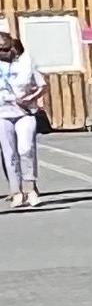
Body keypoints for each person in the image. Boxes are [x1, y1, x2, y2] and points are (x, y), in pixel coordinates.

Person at [0, 27, 41, 210]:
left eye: (6, 48)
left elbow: (42, 84)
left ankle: (30, 187)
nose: (3, 52)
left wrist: (30, 98)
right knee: (9, 153)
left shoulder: (25, 63)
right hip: (2, 113)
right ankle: (16, 191)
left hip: (24, 112)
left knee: (26, 149)